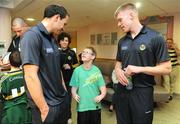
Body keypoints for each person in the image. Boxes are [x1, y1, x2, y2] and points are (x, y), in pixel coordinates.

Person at [114, 3, 171, 124]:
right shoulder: (122, 41)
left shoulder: (156, 37)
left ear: (131, 15)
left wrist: (139, 69)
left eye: (120, 20)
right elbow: (118, 63)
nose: (118, 24)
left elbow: (167, 68)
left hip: (142, 92)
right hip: (122, 91)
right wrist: (118, 70)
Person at [20, 4, 70, 124]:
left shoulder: (53, 38)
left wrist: (65, 92)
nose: (63, 28)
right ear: (57, 18)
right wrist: (44, 109)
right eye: (64, 23)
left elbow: (57, 68)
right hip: (47, 106)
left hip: (61, 100)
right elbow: (30, 76)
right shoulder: (32, 36)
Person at [70, 47, 106, 124]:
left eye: (86, 52)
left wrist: (101, 96)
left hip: (95, 106)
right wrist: (74, 94)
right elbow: (74, 88)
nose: (83, 53)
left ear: (93, 57)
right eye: (83, 52)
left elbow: (103, 89)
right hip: (82, 106)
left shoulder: (96, 70)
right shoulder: (77, 71)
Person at [0, 50, 31, 124]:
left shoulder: (3, 78)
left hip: (10, 113)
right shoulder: (27, 74)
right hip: (26, 110)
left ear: (9, 62)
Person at [57, 32, 78, 124]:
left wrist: (70, 66)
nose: (64, 42)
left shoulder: (72, 52)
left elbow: (77, 64)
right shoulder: (56, 52)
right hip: (58, 80)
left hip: (69, 80)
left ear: (68, 42)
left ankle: (68, 116)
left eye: (66, 40)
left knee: (68, 100)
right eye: (63, 40)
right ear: (59, 42)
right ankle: (60, 117)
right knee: (59, 99)